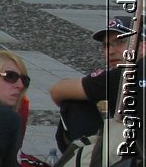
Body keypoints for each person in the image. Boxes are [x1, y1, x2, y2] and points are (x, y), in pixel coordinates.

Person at [51, 16, 138, 151]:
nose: (111, 51)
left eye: (120, 41)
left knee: (75, 103)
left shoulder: (121, 76)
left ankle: (82, 163)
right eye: (106, 45)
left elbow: (57, 90)